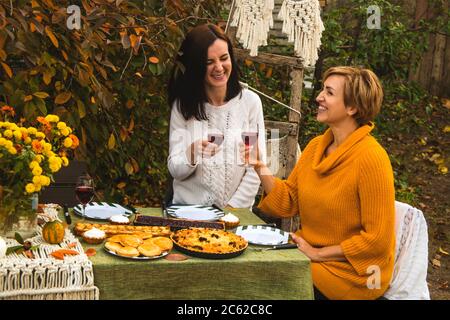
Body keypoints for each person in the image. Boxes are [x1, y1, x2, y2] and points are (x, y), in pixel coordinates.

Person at [245, 66, 395, 300]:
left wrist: (319, 253)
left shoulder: (371, 158)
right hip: (307, 256)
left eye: (329, 92)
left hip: (352, 275)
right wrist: (260, 166)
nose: (319, 97)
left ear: (352, 107)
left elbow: (377, 240)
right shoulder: (316, 147)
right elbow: (288, 201)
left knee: (265, 286)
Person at [167, 24, 266, 209]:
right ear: (196, 66)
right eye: (208, 62)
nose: (219, 67)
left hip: (235, 217)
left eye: (224, 58)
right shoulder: (183, 107)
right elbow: (175, 170)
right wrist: (193, 151)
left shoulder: (250, 104)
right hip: (188, 214)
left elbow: (255, 168)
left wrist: (231, 210)